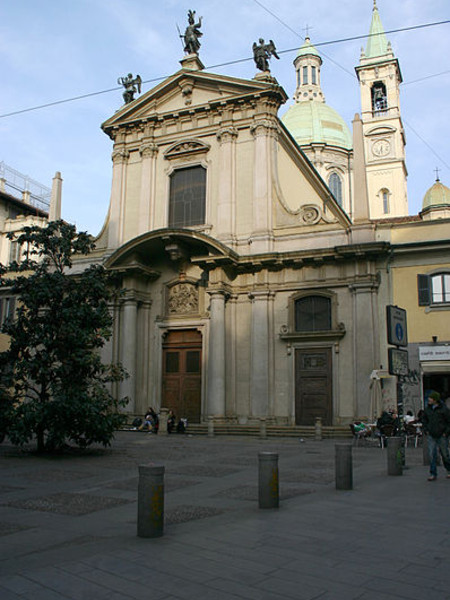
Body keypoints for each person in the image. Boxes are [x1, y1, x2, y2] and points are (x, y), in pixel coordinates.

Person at [421, 391, 450, 481]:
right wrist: (426, 429)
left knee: (444, 454)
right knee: (432, 454)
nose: (429, 399)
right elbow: (424, 419)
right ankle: (433, 473)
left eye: (431, 398)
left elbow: (449, 422)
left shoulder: (444, 410)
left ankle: (449, 469)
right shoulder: (427, 410)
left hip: (442, 434)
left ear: (435, 400)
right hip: (431, 434)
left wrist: (446, 432)